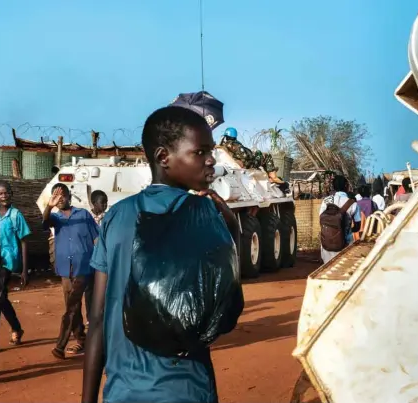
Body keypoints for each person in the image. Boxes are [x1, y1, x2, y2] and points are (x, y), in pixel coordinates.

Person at [82, 106, 241, 403]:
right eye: (200, 152)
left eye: (212, 152)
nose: (211, 161)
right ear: (163, 157)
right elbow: (225, 310)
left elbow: (98, 317)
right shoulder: (205, 215)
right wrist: (233, 228)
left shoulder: (116, 216)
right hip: (184, 390)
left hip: (122, 391)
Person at [43, 183, 99, 359]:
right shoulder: (55, 218)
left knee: (89, 307)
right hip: (66, 271)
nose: (60, 200)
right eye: (56, 197)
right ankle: (80, 340)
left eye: (62, 196)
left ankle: (69, 344)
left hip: (86, 268)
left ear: (69, 197)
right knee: (72, 308)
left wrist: (102, 264)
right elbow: (45, 223)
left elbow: (96, 239)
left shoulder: (83, 215)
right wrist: (49, 206)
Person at [0, 180, 31, 354]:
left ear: (11, 194)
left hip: (8, 262)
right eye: (0, 193)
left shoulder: (15, 215)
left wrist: (24, 269)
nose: (4, 196)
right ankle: (17, 328)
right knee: (0, 298)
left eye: (7, 193)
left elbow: (24, 241)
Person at [219, 127, 287, 186]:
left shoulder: (223, 145)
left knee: (257, 153)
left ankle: (270, 171)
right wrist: (253, 158)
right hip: (248, 164)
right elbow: (245, 158)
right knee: (266, 155)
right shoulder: (236, 145)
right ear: (235, 136)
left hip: (238, 163)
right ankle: (273, 176)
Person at [319, 175, 361, 264]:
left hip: (326, 246)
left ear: (333, 187)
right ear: (346, 186)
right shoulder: (353, 203)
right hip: (345, 246)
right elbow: (357, 227)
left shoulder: (325, 201)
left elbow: (321, 220)